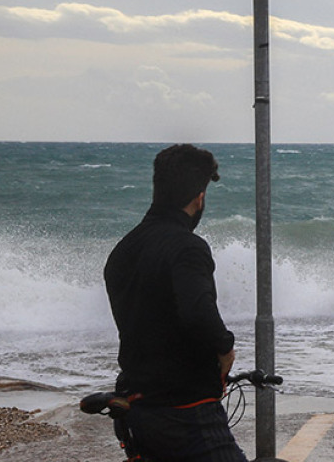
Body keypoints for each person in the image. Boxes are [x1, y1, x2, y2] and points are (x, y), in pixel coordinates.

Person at [104, 144, 247, 462]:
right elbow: (198, 312)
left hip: (139, 405)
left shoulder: (124, 250)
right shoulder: (187, 247)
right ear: (200, 197)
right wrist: (226, 349)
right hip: (185, 408)